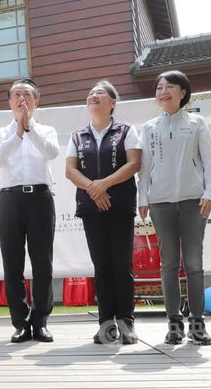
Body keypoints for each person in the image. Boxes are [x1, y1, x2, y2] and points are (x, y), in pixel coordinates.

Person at [137, 70, 211, 345]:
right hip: (160, 203)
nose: (163, 91)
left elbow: (209, 162)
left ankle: (197, 323)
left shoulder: (196, 122)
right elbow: (144, 167)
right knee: (168, 263)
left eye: (170, 87)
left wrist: (210, 193)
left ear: (183, 92)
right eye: (159, 87)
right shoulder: (149, 127)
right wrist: (143, 198)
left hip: (193, 201)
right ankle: (174, 323)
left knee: (194, 264)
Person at [65, 80, 141, 344]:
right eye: (90, 94)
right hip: (90, 208)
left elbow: (134, 164)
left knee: (122, 266)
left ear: (112, 103)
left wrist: (103, 184)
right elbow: (70, 170)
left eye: (100, 94)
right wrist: (92, 189)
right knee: (102, 268)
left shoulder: (126, 131)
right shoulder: (78, 136)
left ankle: (127, 324)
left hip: (119, 206)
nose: (93, 97)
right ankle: (106, 325)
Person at [0, 79, 60, 343]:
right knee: (12, 263)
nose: (21, 99)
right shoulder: (0, 133)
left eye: (27, 95)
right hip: (10, 200)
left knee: (43, 263)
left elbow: (51, 153)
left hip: (40, 198)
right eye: (16, 95)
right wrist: (18, 132)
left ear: (36, 101)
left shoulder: (47, 130)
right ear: (9, 102)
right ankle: (20, 322)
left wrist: (29, 129)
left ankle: (40, 321)